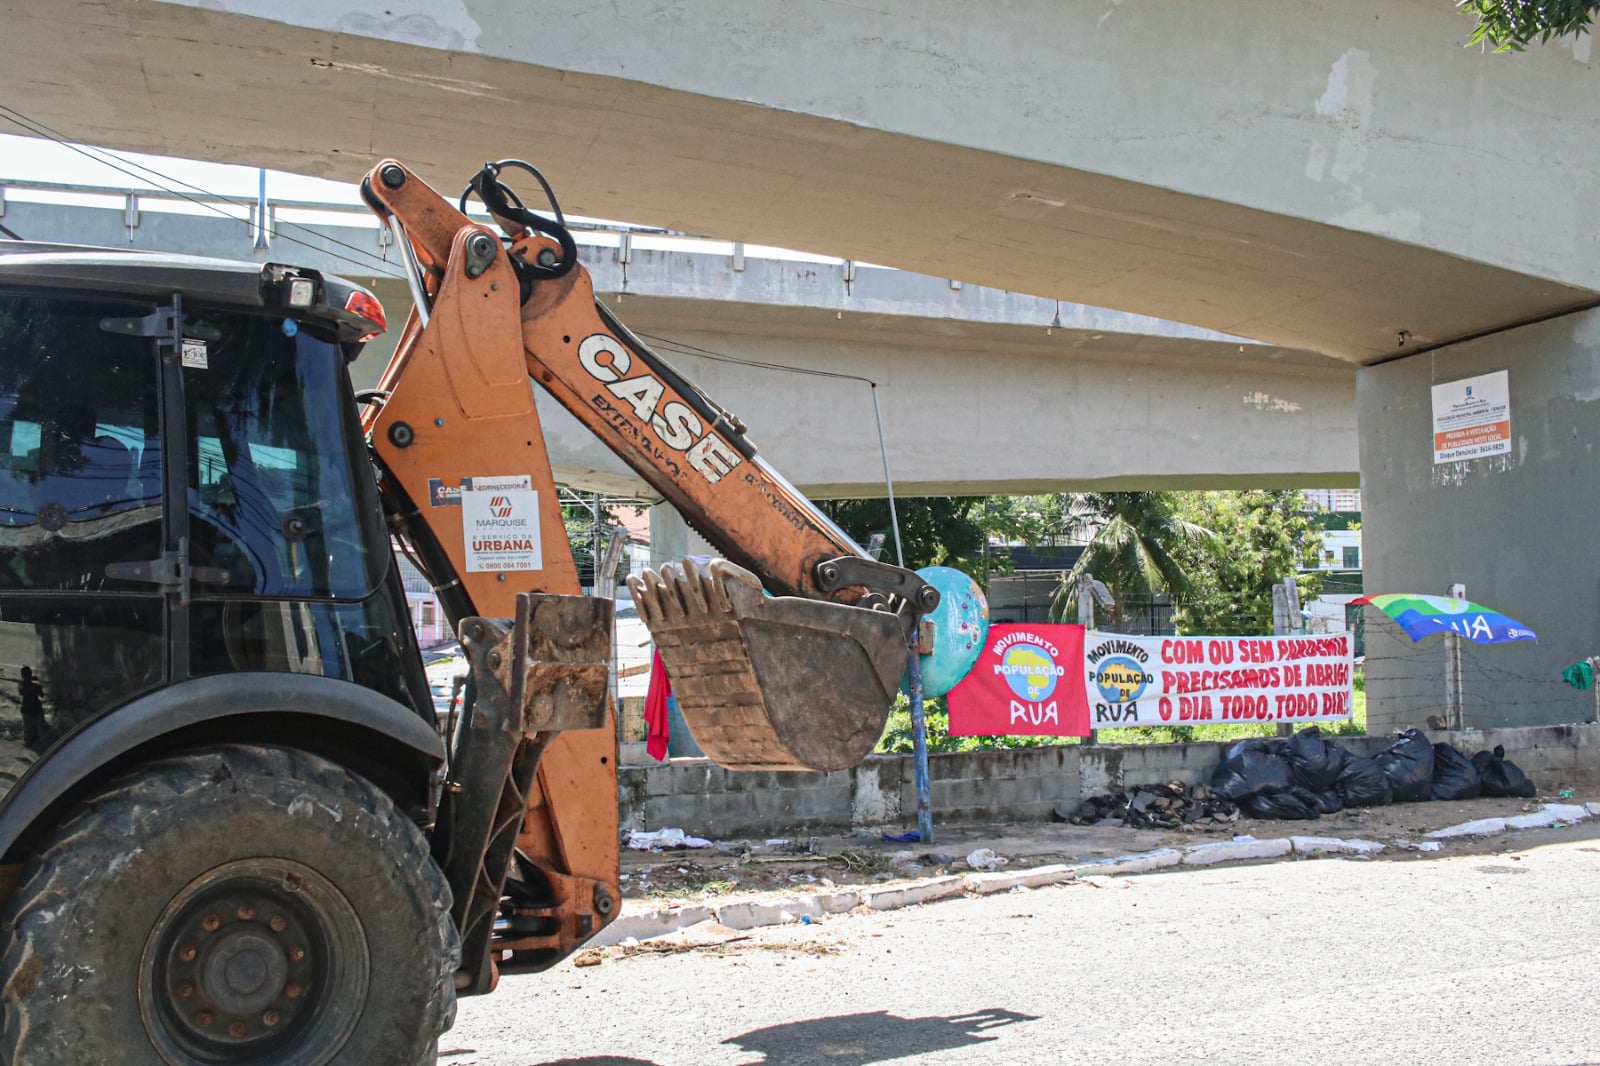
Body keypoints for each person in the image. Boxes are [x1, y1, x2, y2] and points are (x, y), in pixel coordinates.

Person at [18, 666, 45, 752]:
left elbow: (42, 695)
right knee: (28, 733)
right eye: (26, 675)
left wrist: (39, 688)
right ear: (23, 676)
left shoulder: (34, 685)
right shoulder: (22, 684)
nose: (28, 677)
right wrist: (33, 688)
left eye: (29, 675)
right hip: (27, 711)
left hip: (36, 710)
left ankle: (41, 746)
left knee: (40, 731)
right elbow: (22, 692)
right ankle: (29, 747)